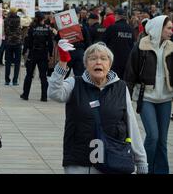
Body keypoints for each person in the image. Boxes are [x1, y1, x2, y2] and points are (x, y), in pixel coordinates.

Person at [48, 41, 148, 174]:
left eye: (103, 58)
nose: (98, 62)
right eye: (93, 58)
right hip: (79, 161)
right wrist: (63, 62)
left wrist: (141, 160)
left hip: (113, 159)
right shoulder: (74, 83)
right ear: (86, 64)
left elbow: (132, 124)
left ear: (109, 64)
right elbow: (54, 93)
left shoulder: (120, 87)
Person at [124, 16, 173, 174]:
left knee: (162, 141)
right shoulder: (141, 46)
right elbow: (130, 74)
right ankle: (144, 168)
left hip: (166, 99)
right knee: (153, 136)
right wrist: (125, 99)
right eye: (169, 28)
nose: (171, 31)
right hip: (146, 98)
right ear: (159, 28)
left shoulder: (171, 47)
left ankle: (162, 171)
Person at [22, 11, 53, 101]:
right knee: (43, 76)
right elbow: (50, 43)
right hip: (43, 53)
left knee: (29, 75)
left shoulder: (32, 28)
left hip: (33, 53)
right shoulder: (47, 29)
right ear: (43, 19)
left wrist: (24, 52)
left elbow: (27, 41)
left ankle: (25, 94)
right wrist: (50, 54)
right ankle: (44, 96)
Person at [4, 7, 24, 86]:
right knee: (17, 63)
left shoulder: (6, 20)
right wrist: (24, 12)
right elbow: (29, 21)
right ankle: (15, 80)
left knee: (8, 62)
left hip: (9, 42)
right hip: (17, 43)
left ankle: (7, 80)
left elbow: (5, 30)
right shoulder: (20, 19)